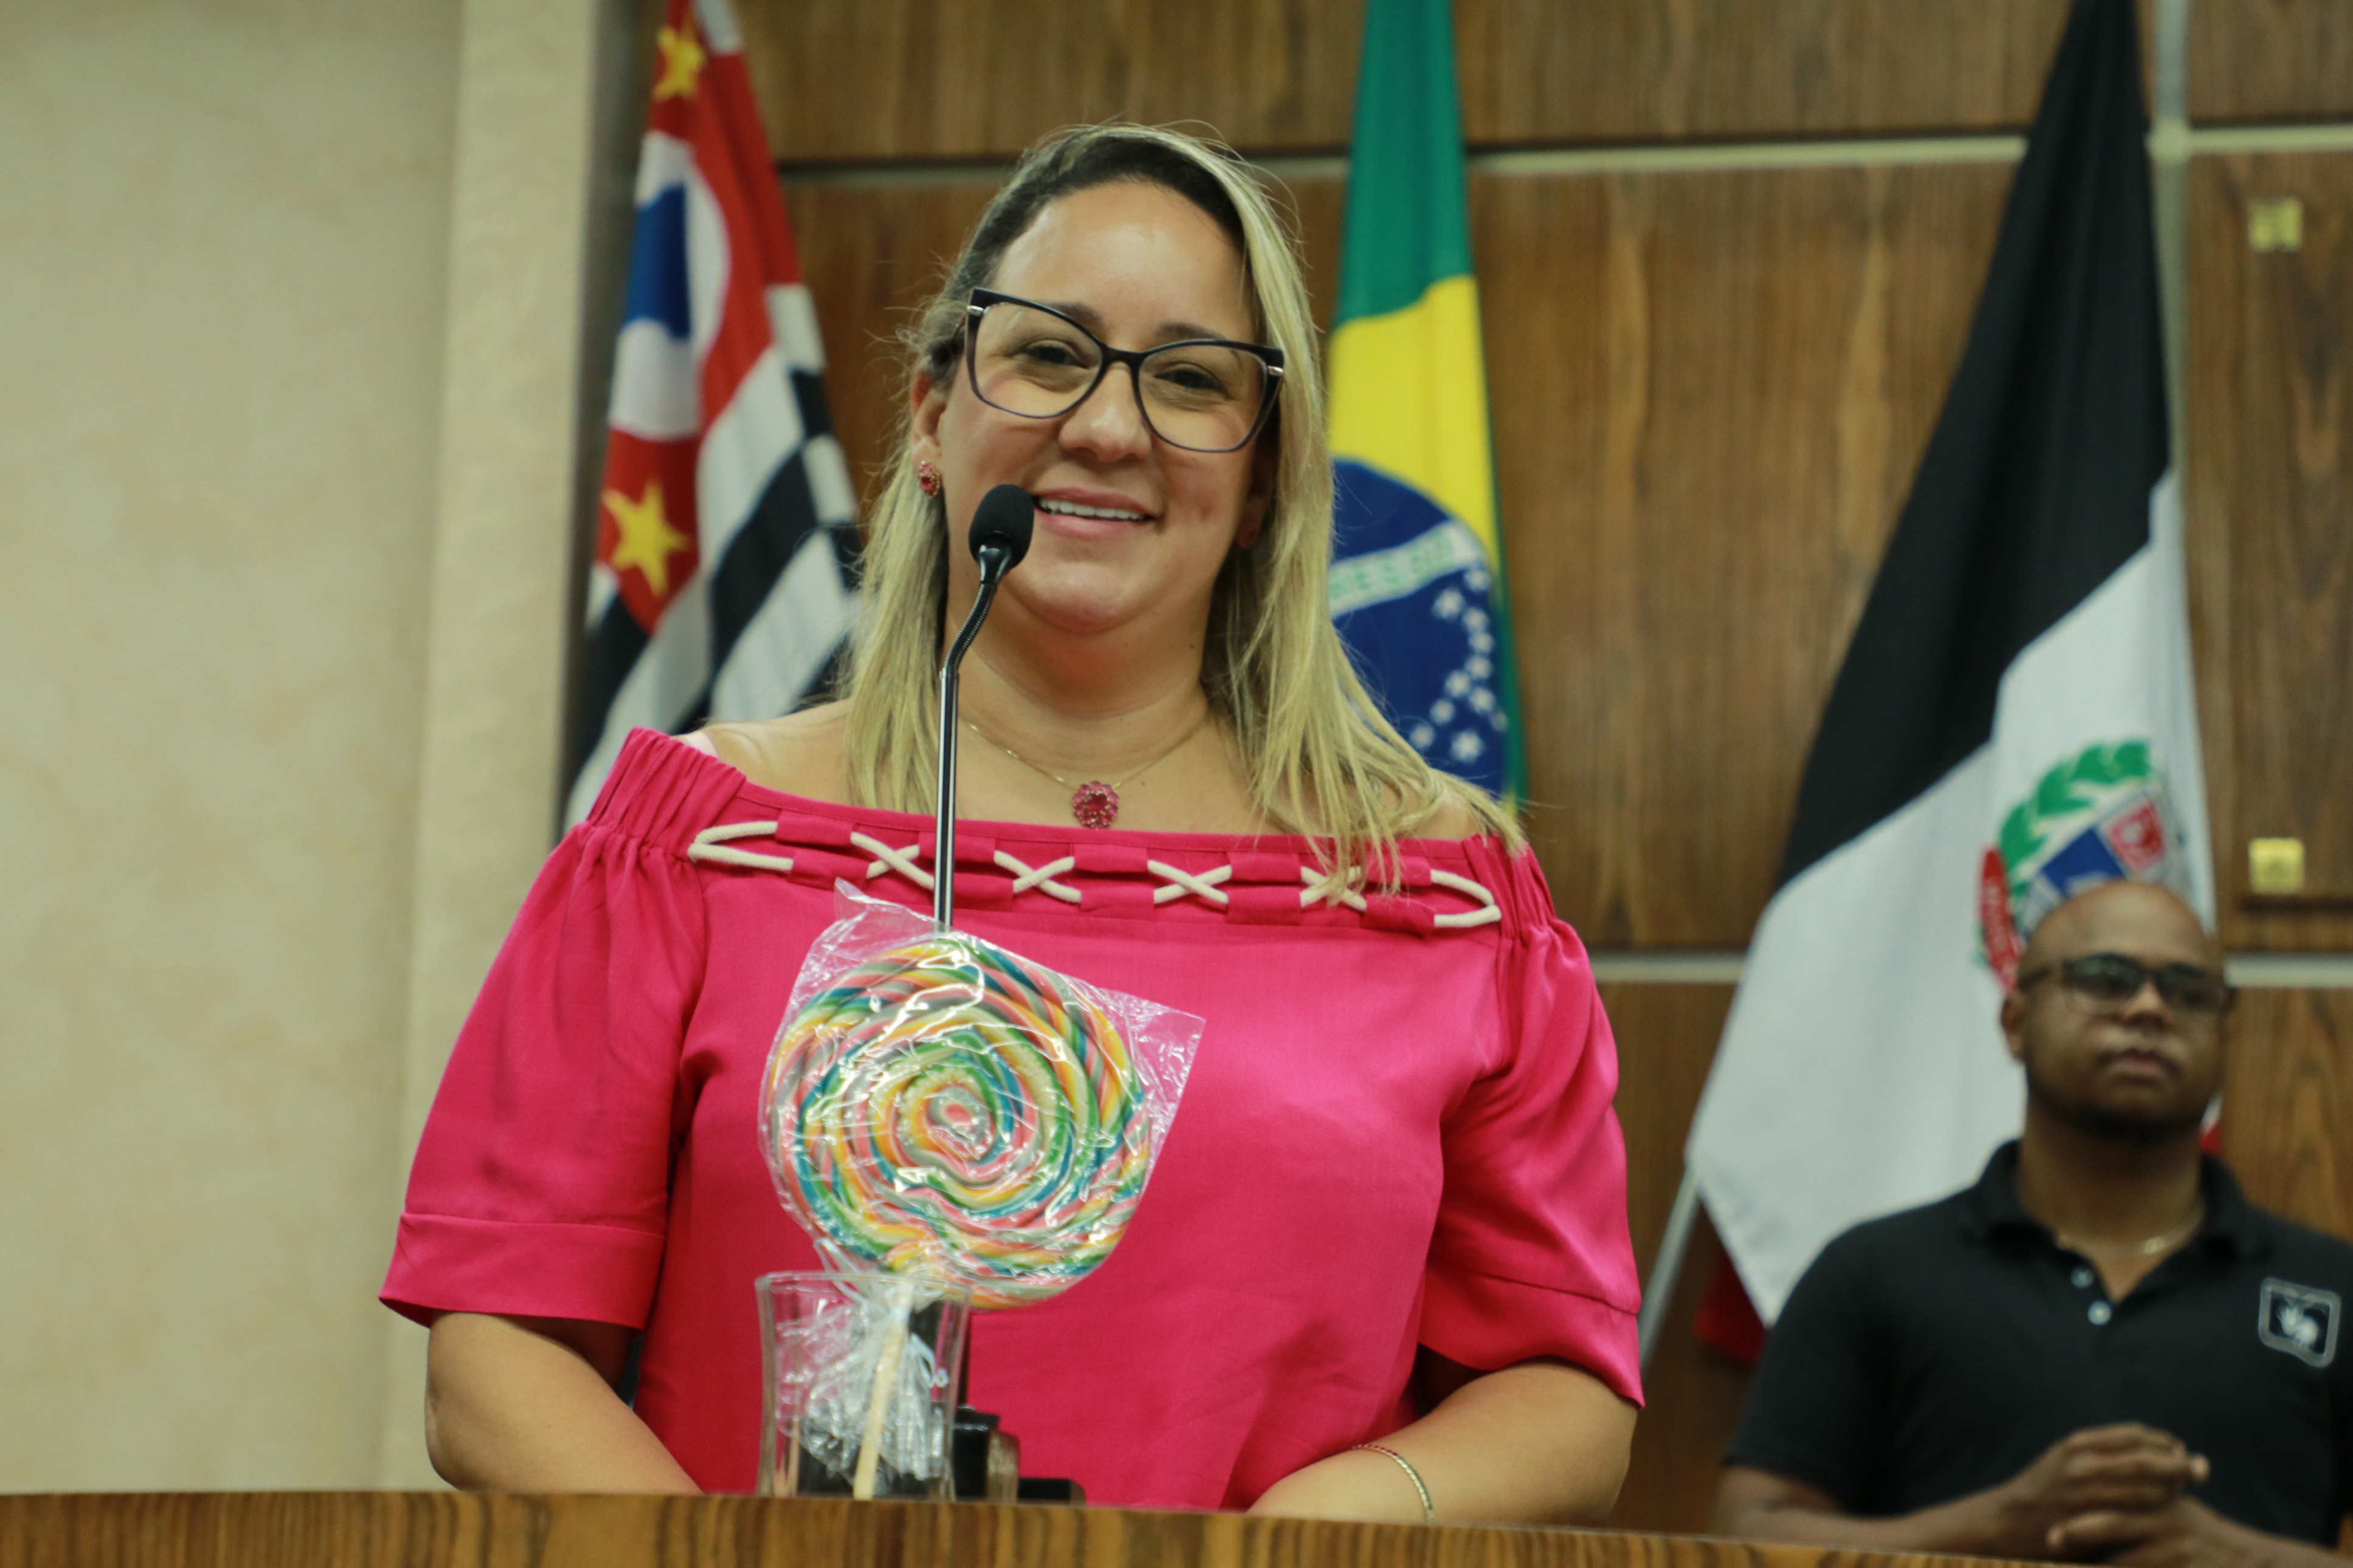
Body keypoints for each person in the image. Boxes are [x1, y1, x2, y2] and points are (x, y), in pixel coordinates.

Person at [383, 123, 1642, 1519]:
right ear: (932, 417)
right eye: (1050, 354)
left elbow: (1563, 1387)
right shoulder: (695, 840)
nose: (1107, 427)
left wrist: (1308, 1537)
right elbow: (497, 1356)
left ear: (1265, 477)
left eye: (1190, 378)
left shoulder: (1447, 895)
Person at [1714, 877, 2353, 1564]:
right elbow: (1741, 1534)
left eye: (2188, 991)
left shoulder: (2333, 1285)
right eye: (2103, 979)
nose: (2148, 1007)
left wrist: (2234, 1557)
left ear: (2226, 1031)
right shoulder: (1873, 1271)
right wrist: (1995, 1526)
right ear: (2015, 1022)